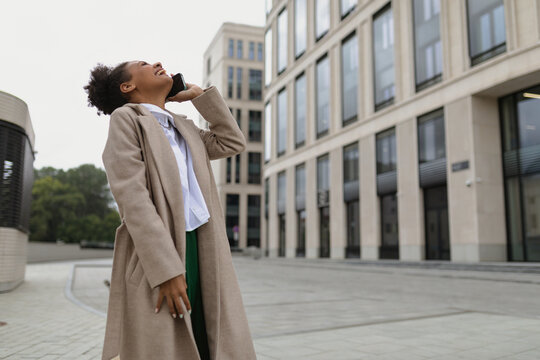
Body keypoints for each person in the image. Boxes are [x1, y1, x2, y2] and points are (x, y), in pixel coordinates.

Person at [84, 60, 257, 360]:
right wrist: (166, 269)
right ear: (128, 87)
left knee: (211, 338)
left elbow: (232, 141)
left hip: (204, 246)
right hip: (162, 252)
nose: (158, 63)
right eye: (144, 64)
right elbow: (133, 198)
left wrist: (199, 96)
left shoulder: (183, 127)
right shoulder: (127, 119)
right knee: (169, 345)